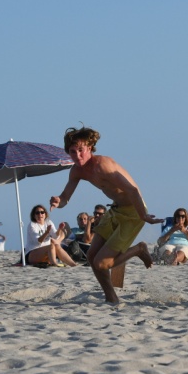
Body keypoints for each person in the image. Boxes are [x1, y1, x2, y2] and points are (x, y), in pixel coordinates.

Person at [50, 126, 160, 304]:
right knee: (91, 257)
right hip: (115, 209)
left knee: (102, 263)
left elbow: (132, 190)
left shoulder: (103, 165)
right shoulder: (77, 171)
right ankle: (111, 298)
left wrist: (143, 215)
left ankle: (138, 249)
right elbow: (65, 198)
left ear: (90, 148)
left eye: (81, 150)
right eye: (72, 152)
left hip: (134, 211)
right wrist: (58, 201)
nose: (77, 155)